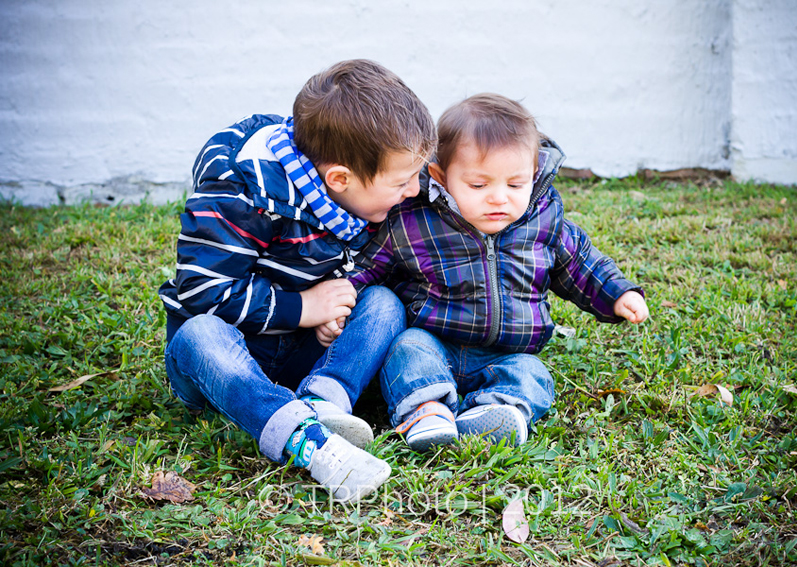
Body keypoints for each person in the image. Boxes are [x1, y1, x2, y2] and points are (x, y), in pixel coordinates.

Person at [158, 60, 437, 501]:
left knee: (383, 302)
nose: (415, 189)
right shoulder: (242, 187)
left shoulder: (365, 178)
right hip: (224, 364)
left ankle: (325, 401)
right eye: (403, 181)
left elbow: (364, 266)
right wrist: (306, 308)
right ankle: (310, 443)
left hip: (302, 352)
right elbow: (203, 291)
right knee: (197, 335)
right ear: (339, 179)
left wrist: (337, 310)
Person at [349, 93, 649, 451]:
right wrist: (338, 301)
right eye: (479, 185)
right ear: (440, 176)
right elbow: (367, 267)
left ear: (533, 175)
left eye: (515, 184)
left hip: (508, 351)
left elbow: (581, 262)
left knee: (532, 374)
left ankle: (497, 411)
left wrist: (618, 293)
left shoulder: (542, 222)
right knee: (405, 350)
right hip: (434, 340)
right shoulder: (413, 221)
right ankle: (425, 410)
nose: (499, 198)